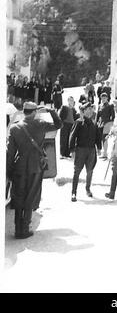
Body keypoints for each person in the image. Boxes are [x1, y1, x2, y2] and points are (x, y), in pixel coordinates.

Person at [6, 102, 62, 238]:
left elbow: (10, 153)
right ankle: (25, 228)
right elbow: (58, 124)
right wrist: (51, 111)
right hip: (35, 166)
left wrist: (8, 172)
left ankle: (17, 229)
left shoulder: (14, 128)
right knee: (30, 196)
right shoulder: (40, 124)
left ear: (24, 111)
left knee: (19, 197)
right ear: (34, 112)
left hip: (19, 167)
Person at [69, 102, 102, 202]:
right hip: (80, 150)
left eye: (91, 109)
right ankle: (74, 192)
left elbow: (97, 136)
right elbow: (72, 136)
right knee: (77, 171)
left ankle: (88, 189)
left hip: (91, 150)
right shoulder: (78, 122)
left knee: (90, 171)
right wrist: (72, 150)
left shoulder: (94, 123)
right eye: (88, 109)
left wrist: (99, 148)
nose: (91, 110)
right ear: (83, 111)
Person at [96, 92, 115, 159]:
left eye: (104, 98)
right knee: (101, 138)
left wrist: (110, 124)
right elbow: (97, 116)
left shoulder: (110, 105)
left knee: (105, 138)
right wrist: (96, 123)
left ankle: (105, 153)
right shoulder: (100, 105)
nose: (103, 99)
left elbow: (113, 116)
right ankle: (102, 152)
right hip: (100, 124)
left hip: (107, 124)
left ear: (107, 98)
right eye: (102, 98)